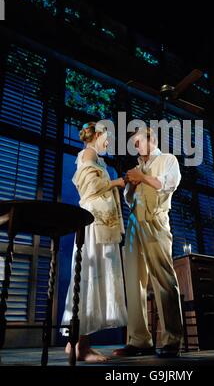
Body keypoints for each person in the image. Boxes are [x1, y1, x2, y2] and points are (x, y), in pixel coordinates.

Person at [113, 127, 183, 358]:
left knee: (163, 278)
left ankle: (172, 339)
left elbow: (169, 184)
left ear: (151, 139)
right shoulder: (137, 167)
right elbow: (129, 199)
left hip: (156, 221)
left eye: (138, 141)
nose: (135, 146)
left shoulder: (167, 160)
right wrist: (132, 184)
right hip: (134, 223)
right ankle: (139, 340)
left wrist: (142, 178)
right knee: (133, 281)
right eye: (133, 143)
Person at [61, 121, 127, 363]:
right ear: (97, 135)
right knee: (88, 276)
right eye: (107, 137)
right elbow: (89, 188)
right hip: (93, 223)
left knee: (90, 277)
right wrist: (116, 182)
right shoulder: (89, 152)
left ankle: (77, 344)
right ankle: (81, 346)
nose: (109, 142)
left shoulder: (96, 157)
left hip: (100, 222)